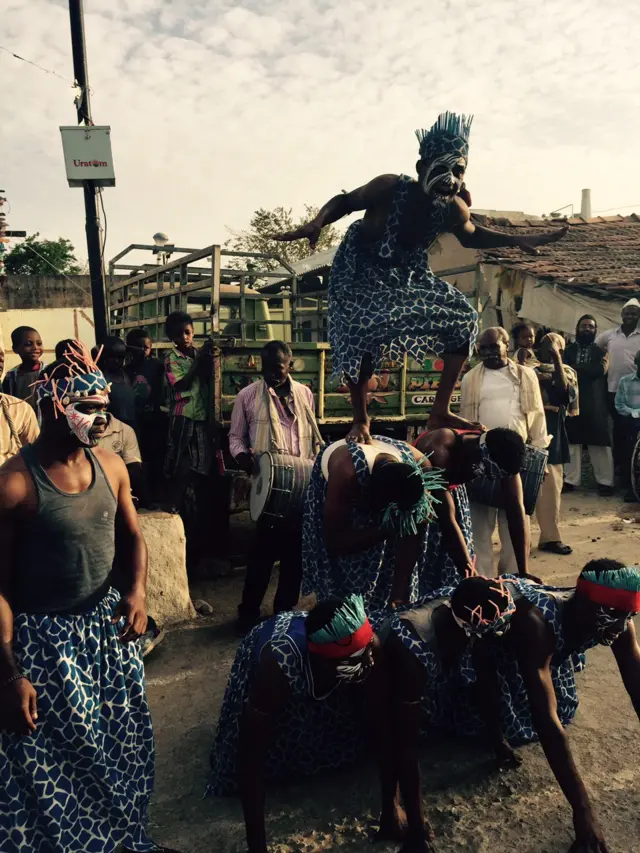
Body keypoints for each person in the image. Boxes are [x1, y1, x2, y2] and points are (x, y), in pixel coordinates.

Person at [273, 112, 566, 444]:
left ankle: (439, 410)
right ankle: (361, 420)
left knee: (463, 318)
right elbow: (346, 201)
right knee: (362, 329)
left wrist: (514, 239)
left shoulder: (453, 208)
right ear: (421, 168)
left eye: (459, 171)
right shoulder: (388, 187)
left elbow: (470, 236)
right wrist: (318, 223)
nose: (451, 178)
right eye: (442, 168)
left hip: (407, 272)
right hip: (360, 264)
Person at [0, 345, 180, 853]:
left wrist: (138, 592)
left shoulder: (112, 466)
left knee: (122, 747)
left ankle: (125, 839)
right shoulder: (14, 485)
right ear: (58, 406)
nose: (103, 419)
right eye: (90, 407)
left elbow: (132, 537)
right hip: (47, 645)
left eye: (106, 407)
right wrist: (9, 673)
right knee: (58, 760)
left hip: (107, 634)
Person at [382, 562, 640, 853]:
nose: (622, 625)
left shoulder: (616, 617)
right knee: (461, 705)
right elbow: (547, 722)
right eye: (614, 616)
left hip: (505, 619)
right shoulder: (534, 623)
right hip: (484, 617)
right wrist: (583, 812)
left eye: (629, 616)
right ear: (583, 604)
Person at [207, 594, 382, 853]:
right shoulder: (278, 666)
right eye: (352, 661)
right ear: (322, 660)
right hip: (276, 652)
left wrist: (393, 807)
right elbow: (250, 757)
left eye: (366, 653)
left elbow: (382, 720)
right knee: (256, 747)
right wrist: (258, 848)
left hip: (316, 657)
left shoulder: (368, 646)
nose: (368, 662)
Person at [302, 433, 471, 610]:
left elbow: (413, 534)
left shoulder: (420, 467)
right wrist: (386, 530)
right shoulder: (346, 471)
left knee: (390, 581)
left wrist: (399, 592)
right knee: (343, 578)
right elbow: (334, 542)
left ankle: (381, 606)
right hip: (337, 483)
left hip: (389, 491)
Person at [229, 341, 323, 633]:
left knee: (295, 557)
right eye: (267, 368)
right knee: (261, 556)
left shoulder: (305, 394)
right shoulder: (247, 396)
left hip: (302, 486)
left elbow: (314, 437)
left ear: (289, 365)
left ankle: (283, 613)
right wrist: (247, 461)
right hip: (269, 490)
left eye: (278, 368)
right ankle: (248, 614)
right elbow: (235, 438)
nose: (272, 374)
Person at [460, 327, 550, 574]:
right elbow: (464, 422)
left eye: (493, 347)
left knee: (515, 520)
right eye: (483, 348)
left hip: (516, 458)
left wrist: (540, 459)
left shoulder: (524, 375)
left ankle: (512, 579)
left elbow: (537, 416)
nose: (488, 352)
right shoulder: (470, 379)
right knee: (480, 524)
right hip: (483, 459)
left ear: (506, 346)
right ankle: (484, 580)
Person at [413, 426, 533, 586]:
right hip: (422, 498)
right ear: (484, 458)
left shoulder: (504, 453)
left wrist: (524, 571)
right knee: (424, 563)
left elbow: (515, 508)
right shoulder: (440, 448)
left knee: (454, 576)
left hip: (453, 494)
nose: (494, 480)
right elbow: (446, 518)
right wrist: (470, 574)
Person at [163, 311, 212, 513]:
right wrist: (199, 361)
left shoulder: (199, 353)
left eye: (187, 332)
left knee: (200, 460)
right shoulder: (171, 358)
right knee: (177, 458)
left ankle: (191, 500)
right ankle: (172, 501)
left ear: (193, 332)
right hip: (182, 414)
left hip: (200, 415)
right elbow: (181, 385)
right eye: (178, 335)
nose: (184, 338)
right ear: (171, 338)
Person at [535, 333, 578, 555]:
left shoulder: (568, 371)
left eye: (556, 347)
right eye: (546, 346)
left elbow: (562, 394)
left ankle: (550, 539)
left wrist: (556, 361)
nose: (551, 350)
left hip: (552, 433)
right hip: (528, 431)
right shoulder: (525, 368)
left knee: (551, 490)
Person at [563, 315, 614, 496]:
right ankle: (570, 480)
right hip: (572, 402)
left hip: (595, 402)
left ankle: (605, 483)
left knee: (600, 443)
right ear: (577, 329)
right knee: (572, 443)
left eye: (590, 327)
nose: (587, 329)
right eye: (583, 326)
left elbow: (599, 370)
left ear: (595, 330)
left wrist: (575, 368)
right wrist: (583, 369)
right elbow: (563, 369)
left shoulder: (601, 352)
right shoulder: (567, 350)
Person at [596, 298, 640, 469]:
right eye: (627, 313)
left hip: (636, 390)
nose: (629, 316)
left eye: (634, 313)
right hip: (614, 389)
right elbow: (595, 349)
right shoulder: (609, 335)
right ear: (622, 314)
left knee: (633, 432)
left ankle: (633, 469)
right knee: (619, 430)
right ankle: (620, 468)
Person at [125, 328, 166, 502]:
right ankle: (142, 495)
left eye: (146, 347)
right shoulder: (126, 369)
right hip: (136, 421)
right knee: (138, 459)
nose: (143, 351)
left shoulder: (156, 365)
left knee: (156, 458)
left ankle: (155, 495)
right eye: (138, 347)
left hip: (154, 419)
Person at [0, 339, 39, 466]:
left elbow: (36, 461)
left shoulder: (21, 410)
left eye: (1, 354)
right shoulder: (11, 376)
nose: (1, 359)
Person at [95, 335, 137, 428]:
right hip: (111, 427)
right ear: (104, 357)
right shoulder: (101, 377)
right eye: (113, 357)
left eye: (121, 357)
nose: (117, 361)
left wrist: (123, 347)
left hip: (131, 425)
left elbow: (141, 354)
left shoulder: (126, 373)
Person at [614, 349, 640, 502]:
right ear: (636, 363)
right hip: (631, 420)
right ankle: (630, 487)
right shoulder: (625, 381)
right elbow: (619, 405)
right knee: (628, 448)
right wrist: (635, 413)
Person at [1, 326, 44, 407]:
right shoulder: (10, 377)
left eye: (39, 343)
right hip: (20, 418)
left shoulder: (49, 372)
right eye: (28, 344)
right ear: (15, 348)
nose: (35, 347)